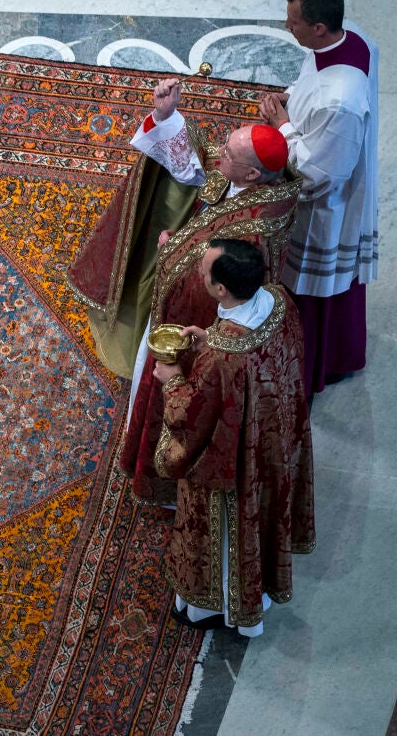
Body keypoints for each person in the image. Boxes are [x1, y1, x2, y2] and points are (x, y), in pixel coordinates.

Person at [70, 80, 301, 505]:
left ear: (252, 175)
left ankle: (165, 485)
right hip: (192, 283)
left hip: (202, 324)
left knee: (183, 407)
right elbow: (199, 161)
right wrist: (166, 116)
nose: (220, 153)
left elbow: (218, 283)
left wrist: (173, 250)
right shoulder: (248, 176)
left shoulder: (257, 226)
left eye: (229, 154)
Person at [151, 238, 313, 637]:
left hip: (236, 461)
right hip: (274, 440)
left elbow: (191, 417)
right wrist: (213, 337)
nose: (200, 272)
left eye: (204, 270)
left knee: (228, 532)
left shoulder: (223, 357)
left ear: (221, 289)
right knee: (263, 518)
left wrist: (172, 380)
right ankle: (260, 591)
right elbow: (265, 363)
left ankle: (219, 607)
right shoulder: (279, 301)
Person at [258, 0, 380, 392]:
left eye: (293, 22)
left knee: (315, 290)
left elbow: (317, 177)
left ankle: (311, 369)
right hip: (327, 151)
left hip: (326, 212)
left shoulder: (340, 100)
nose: (287, 26)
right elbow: (311, 79)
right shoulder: (352, 37)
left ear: (320, 28)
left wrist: (283, 126)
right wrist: (292, 98)